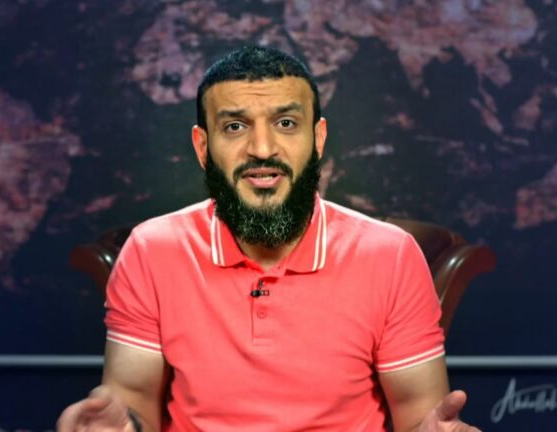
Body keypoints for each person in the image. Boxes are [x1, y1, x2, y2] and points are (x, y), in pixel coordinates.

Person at [58, 46, 480, 432]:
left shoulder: (390, 255)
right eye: (235, 126)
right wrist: (118, 427)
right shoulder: (151, 251)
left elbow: (419, 415)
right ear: (203, 148)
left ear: (317, 139)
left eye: (286, 123)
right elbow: (132, 401)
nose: (262, 148)